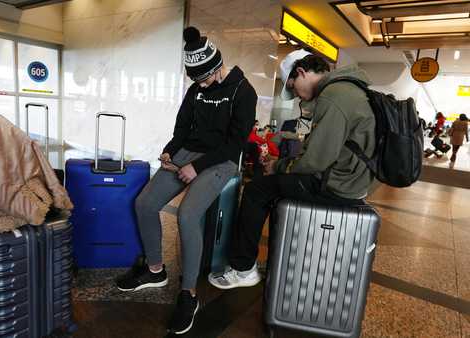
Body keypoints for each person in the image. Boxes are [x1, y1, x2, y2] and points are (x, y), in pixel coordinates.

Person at [115, 26, 258, 334]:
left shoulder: (243, 91)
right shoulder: (196, 90)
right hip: (188, 152)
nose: (201, 85)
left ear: (218, 67)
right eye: (196, 80)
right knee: (144, 203)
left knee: (188, 214)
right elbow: (182, 128)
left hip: (222, 159)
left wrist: (197, 167)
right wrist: (170, 152)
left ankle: (188, 294)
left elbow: (235, 143)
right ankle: (155, 270)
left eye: (205, 78)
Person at [208, 50, 376, 289]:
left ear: (301, 72)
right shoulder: (350, 88)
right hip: (352, 180)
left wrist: (277, 166)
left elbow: (316, 160)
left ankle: (243, 269)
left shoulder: (334, 96)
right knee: (278, 190)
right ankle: (276, 262)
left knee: (256, 190)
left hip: (338, 184)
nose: (296, 95)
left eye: (294, 88)